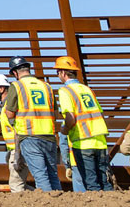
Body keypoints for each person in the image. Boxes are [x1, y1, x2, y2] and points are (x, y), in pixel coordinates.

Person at [2, 56, 60, 191]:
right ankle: (59, 199)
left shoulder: (17, 86)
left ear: (15, 72)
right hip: (49, 135)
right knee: (53, 175)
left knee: (41, 176)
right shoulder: (46, 86)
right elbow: (56, 114)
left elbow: (9, 113)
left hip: (29, 136)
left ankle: (48, 200)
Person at [53, 56, 111, 191]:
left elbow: (70, 118)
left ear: (63, 72)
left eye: (57, 72)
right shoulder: (87, 89)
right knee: (105, 182)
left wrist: (64, 130)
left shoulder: (65, 91)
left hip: (83, 142)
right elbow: (100, 114)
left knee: (91, 184)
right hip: (100, 141)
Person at [0, 74, 31, 191]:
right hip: (16, 150)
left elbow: (18, 130)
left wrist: (17, 154)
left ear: (1, 89)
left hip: (18, 150)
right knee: (19, 185)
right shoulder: (6, 106)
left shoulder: (9, 107)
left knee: (16, 187)